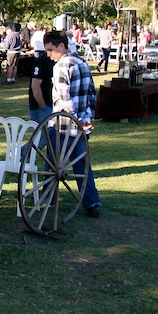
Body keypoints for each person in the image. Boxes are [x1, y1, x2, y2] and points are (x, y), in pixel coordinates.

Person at [44, 31, 102, 218]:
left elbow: (64, 98)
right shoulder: (83, 63)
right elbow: (92, 94)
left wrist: (75, 120)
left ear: (62, 46)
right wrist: (87, 118)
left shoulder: (61, 66)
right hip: (81, 123)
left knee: (52, 164)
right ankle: (92, 202)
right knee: (82, 165)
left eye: (50, 50)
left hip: (63, 124)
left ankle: (48, 199)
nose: (49, 55)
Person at [28, 36, 54, 124]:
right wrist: (43, 106)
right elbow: (35, 86)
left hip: (50, 104)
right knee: (43, 136)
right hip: (43, 105)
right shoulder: (42, 61)